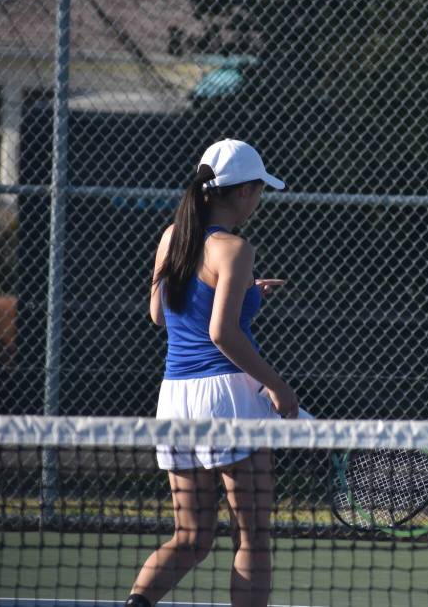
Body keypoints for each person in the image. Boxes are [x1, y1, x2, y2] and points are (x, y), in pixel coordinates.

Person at [125, 139, 300, 607]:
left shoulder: (171, 236)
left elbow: (160, 314)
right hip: (228, 400)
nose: (259, 199)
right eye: (259, 189)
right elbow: (222, 334)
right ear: (243, 193)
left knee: (191, 538)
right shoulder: (236, 248)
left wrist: (245, 292)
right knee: (253, 537)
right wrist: (278, 385)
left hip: (175, 401)